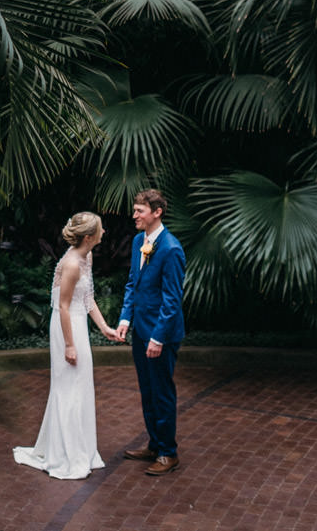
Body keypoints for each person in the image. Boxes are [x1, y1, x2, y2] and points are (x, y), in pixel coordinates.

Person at [14, 212, 119, 480]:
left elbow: (89, 298)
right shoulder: (72, 263)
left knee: (80, 385)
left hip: (79, 323)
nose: (104, 232)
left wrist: (104, 327)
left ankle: (80, 449)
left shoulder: (87, 257)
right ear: (88, 237)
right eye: (100, 229)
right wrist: (69, 346)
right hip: (66, 327)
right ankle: (65, 455)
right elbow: (62, 306)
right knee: (67, 387)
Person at [114, 188, 186, 476]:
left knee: (162, 391)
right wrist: (124, 319)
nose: (134, 216)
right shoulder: (136, 242)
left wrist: (158, 337)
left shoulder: (171, 249)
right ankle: (155, 444)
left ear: (157, 212)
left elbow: (172, 299)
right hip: (140, 330)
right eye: (134, 210)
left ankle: (169, 453)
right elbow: (133, 283)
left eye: (139, 211)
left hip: (161, 335)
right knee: (147, 390)